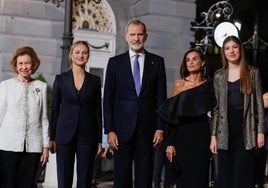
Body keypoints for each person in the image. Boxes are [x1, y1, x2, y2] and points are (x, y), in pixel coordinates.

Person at [103, 19, 167, 188]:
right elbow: (108, 100)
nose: (136, 38)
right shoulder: (115, 63)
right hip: (121, 131)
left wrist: (160, 128)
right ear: (126, 37)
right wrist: (109, 130)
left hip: (148, 130)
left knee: (144, 178)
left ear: (146, 36)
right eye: (132, 34)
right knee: (121, 178)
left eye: (140, 34)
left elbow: (161, 99)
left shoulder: (157, 62)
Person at [210, 35, 265, 188]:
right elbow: (216, 108)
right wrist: (213, 136)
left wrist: (260, 131)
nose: (231, 51)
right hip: (224, 129)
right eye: (227, 48)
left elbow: (259, 104)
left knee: (242, 175)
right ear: (224, 52)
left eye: (234, 47)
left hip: (246, 128)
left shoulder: (252, 72)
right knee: (225, 176)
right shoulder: (219, 75)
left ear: (240, 49)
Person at [157, 48, 214, 188]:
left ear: (203, 62)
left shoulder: (210, 85)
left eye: (195, 59)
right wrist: (170, 143)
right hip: (182, 135)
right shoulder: (179, 84)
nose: (191, 62)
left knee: (201, 177)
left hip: (203, 134)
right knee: (183, 178)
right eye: (188, 60)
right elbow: (173, 116)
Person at [49, 40, 102, 188]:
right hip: (64, 134)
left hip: (88, 136)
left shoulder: (95, 81)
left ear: (88, 56)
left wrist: (99, 139)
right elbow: (55, 110)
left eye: (84, 53)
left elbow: (98, 110)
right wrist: (52, 137)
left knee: (85, 180)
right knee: (64, 179)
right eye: (77, 52)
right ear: (71, 55)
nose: (81, 55)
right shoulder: (60, 79)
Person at [0, 46, 50, 188]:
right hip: (7, 145)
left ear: (33, 64)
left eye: (27, 63)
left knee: (28, 184)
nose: (24, 67)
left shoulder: (41, 86)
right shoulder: (6, 86)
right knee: (7, 184)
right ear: (15, 65)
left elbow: (44, 119)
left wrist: (45, 146)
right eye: (20, 63)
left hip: (33, 146)